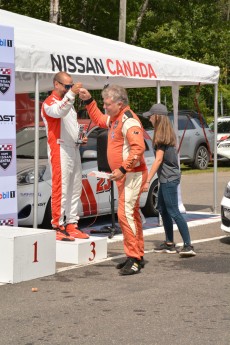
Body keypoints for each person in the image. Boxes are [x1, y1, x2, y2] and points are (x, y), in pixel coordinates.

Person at [79, 85, 148, 275]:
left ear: (120, 103)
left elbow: (138, 148)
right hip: (126, 174)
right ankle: (136, 255)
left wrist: (123, 168)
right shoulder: (116, 117)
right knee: (130, 214)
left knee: (125, 215)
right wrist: (88, 101)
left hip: (132, 174)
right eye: (103, 103)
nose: (105, 107)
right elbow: (100, 119)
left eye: (107, 104)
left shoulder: (128, 120)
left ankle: (134, 258)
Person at [142, 103, 196, 257]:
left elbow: (158, 160)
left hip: (169, 179)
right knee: (163, 209)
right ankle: (169, 243)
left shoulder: (161, 138)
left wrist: (147, 180)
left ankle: (188, 245)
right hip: (167, 178)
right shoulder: (165, 135)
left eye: (151, 116)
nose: (150, 119)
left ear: (157, 117)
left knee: (173, 211)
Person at [41, 72, 89, 241]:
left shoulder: (69, 102)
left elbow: (70, 122)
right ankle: (57, 226)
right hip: (59, 147)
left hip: (73, 147)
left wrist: (79, 137)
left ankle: (72, 223)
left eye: (71, 85)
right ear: (56, 84)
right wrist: (72, 93)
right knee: (61, 188)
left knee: (75, 188)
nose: (70, 88)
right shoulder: (49, 103)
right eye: (67, 86)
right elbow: (59, 112)